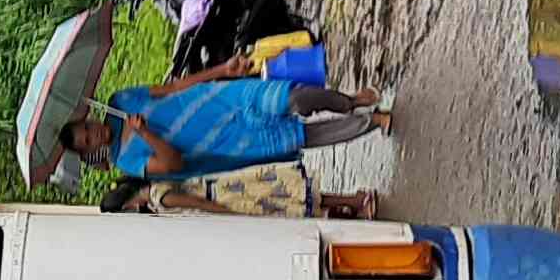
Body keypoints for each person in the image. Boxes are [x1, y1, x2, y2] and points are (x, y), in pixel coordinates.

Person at [61, 50, 390, 181]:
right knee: (305, 136)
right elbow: (173, 164)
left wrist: (222, 70)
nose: (94, 134)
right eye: (88, 141)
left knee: (294, 98)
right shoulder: (126, 160)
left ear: (89, 117)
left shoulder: (121, 100)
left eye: (88, 127)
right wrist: (145, 134)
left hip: (219, 100)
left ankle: (349, 101)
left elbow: (173, 88)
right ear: (90, 150)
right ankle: (371, 122)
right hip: (227, 142)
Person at [100, 166, 380, 220]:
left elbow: (199, 204)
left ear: (127, 205)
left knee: (292, 197)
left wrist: (229, 215)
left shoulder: (160, 199)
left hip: (229, 198)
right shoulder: (154, 187)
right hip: (226, 188)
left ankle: (356, 201)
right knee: (291, 197)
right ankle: (352, 205)